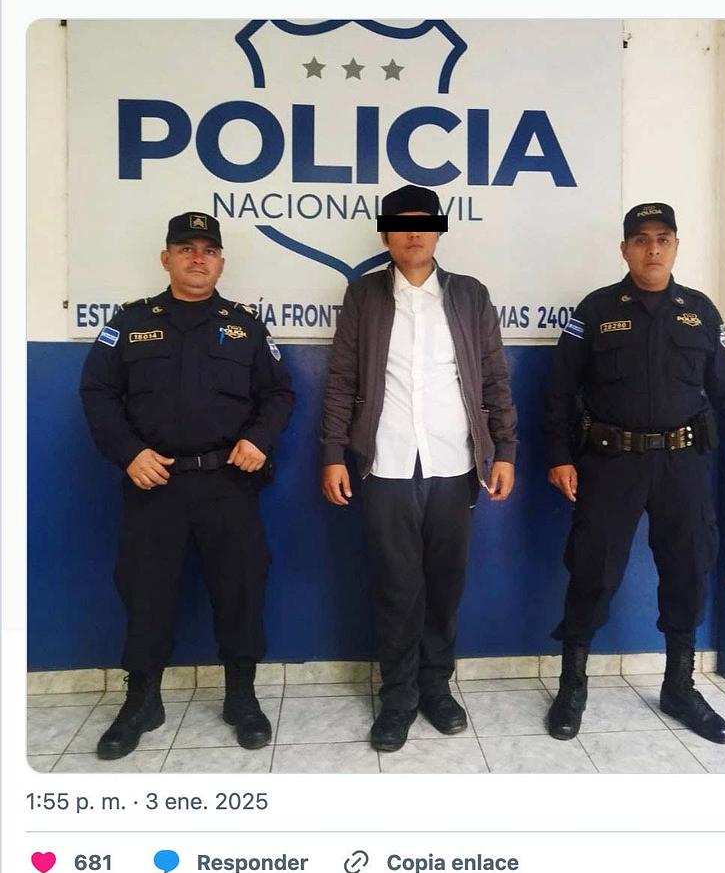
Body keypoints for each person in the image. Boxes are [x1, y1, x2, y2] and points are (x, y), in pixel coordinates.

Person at [544, 203, 725, 744]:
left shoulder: (699, 312)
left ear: (675, 246)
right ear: (625, 249)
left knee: (688, 568)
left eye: (663, 239)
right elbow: (558, 392)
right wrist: (559, 456)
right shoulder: (596, 310)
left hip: (683, 463)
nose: (653, 249)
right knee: (593, 569)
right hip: (611, 463)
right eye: (641, 240)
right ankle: (572, 685)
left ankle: (679, 686)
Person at [79, 212, 295, 759]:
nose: (198, 258)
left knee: (240, 589)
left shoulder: (245, 326)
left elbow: (278, 394)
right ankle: (142, 701)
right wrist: (128, 453)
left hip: (228, 482)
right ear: (166, 258)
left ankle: (241, 697)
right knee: (145, 591)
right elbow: (97, 392)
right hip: (155, 483)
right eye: (186, 248)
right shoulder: (130, 322)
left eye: (208, 250)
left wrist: (259, 440)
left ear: (221, 262)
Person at [320, 185, 518, 752]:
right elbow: (342, 381)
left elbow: (494, 379)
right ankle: (398, 696)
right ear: (385, 234)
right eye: (402, 224)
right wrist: (333, 454)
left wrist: (505, 450)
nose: (414, 233)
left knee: (445, 583)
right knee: (396, 585)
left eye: (424, 224)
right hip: (385, 464)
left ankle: (436, 687)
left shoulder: (469, 296)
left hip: (454, 463)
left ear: (437, 232)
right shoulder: (364, 296)